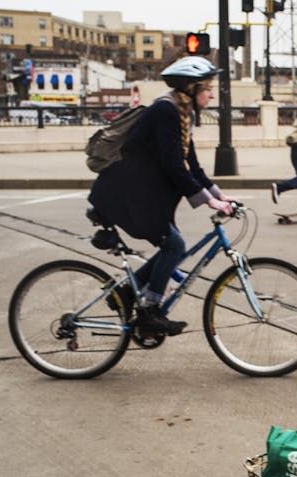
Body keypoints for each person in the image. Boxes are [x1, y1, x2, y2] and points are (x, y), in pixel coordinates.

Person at [88, 56, 235, 335]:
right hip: (126, 193)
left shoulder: (181, 113)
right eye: (207, 88)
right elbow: (173, 166)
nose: (212, 93)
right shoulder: (165, 111)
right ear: (190, 88)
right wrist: (208, 200)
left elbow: (192, 164)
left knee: (172, 246)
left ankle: (126, 294)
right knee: (174, 246)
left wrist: (219, 195)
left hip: (141, 195)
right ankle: (149, 313)